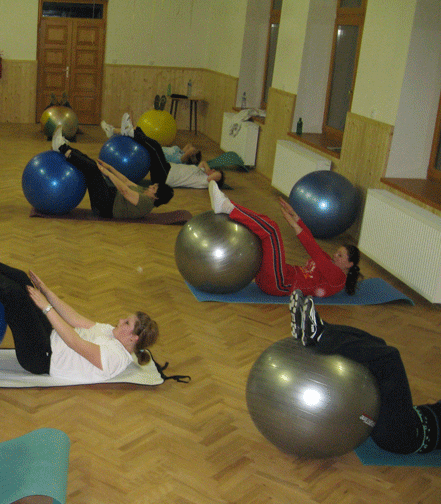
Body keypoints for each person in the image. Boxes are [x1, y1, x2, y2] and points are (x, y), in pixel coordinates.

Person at [0, 213, 160, 382]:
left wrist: (47, 308)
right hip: (50, 338)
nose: (120, 321)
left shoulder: (116, 357)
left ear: (134, 338)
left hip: (41, 357)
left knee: (14, 295)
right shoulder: (112, 334)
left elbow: (75, 343)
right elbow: (77, 320)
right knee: (22, 279)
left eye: (126, 323)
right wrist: (47, 292)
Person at [290, 290, 440, 454]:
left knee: (389, 358)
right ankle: (316, 330)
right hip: (408, 419)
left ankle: (320, 334)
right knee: (378, 344)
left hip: (404, 436)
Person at [209, 181, 361, 298]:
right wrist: (296, 216)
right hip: (277, 275)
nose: (335, 255)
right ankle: (228, 205)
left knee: (271, 230)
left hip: (279, 284)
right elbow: (312, 241)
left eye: (340, 255)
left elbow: (313, 250)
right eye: (337, 252)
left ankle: (227, 206)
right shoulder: (329, 262)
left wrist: (294, 225)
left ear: (349, 264)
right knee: (267, 225)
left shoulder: (338, 278)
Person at [50, 125, 174, 219]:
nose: (151, 186)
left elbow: (124, 190)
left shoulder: (146, 203)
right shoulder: (145, 192)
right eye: (154, 185)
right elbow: (126, 181)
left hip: (106, 208)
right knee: (93, 164)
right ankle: (64, 148)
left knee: (93, 169)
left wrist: (107, 173)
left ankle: (62, 147)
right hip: (109, 197)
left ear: (156, 197)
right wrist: (109, 167)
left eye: (154, 188)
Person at [101, 113, 223, 189]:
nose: (212, 170)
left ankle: (129, 132)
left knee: (155, 148)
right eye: (213, 170)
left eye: (214, 172)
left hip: (166, 177)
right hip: (166, 170)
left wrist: (211, 172)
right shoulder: (202, 172)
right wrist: (207, 170)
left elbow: (218, 176)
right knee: (153, 144)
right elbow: (203, 163)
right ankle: (129, 132)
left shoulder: (206, 182)